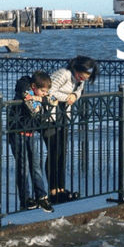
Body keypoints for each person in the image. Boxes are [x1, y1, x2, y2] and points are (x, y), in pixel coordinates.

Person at [42, 55, 98, 204]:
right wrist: (67, 97)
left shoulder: (79, 80)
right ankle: (52, 191)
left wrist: (74, 95)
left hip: (63, 116)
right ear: (75, 69)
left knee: (62, 152)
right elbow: (48, 91)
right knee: (53, 152)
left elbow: (79, 91)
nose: (83, 79)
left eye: (87, 77)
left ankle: (61, 189)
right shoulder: (64, 74)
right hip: (50, 117)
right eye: (82, 75)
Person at [10, 70, 55, 213]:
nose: (44, 93)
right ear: (34, 86)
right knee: (23, 167)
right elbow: (32, 109)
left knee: (36, 166)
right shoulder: (24, 87)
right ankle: (25, 199)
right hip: (17, 132)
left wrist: (41, 99)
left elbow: (53, 100)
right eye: (42, 90)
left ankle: (41, 196)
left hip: (30, 133)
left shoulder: (35, 94)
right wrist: (39, 100)